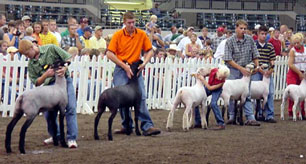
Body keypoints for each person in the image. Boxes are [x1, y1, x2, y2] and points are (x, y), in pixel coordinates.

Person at [106, 11, 161, 136]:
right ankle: (127, 125)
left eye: (133, 22)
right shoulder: (118, 35)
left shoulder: (141, 34)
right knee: (122, 97)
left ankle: (147, 126)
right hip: (121, 67)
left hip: (136, 67)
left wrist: (144, 63)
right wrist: (124, 66)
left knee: (140, 96)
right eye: (129, 23)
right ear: (124, 23)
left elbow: (149, 51)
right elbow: (109, 53)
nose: (131, 25)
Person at [18, 39, 78, 148]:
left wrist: (64, 68)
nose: (27, 57)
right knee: (48, 112)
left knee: (70, 107)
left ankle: (71, 138)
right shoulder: (31, 63)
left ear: (32, 47)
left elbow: (68, 57)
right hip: (48, 86)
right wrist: (46, 75)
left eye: (27, 54)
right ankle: (56, 135)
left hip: (63, 82)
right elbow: (36, 82)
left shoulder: (51, 48)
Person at [223, 19, 261, 126]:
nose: (243, 30)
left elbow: (255, 54)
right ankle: (231, 117)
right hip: (233, 70)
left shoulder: (250, 40)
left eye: (245, 28)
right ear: (236, 28)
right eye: (241, 28)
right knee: (230, 95)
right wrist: (241, 69)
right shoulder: (229, 41)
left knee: (246, 94)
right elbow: (228, 59)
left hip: (246, 70)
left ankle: (250, 117)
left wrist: (257, 66)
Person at [253, 25, 277, 123]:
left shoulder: (270, 46)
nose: (263, 36)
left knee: (270, 93)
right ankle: (257, 114)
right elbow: (254, 59)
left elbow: (272, 60)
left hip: (267, 72)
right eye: (262, 34)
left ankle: (269, 115)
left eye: (265, 34)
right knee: (254, 94)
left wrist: (270, 70)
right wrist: (259, 69)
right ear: (258, 34)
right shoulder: (253, 45)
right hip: (257, 71)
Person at [197, 65, 230, 130]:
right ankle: (198, 121)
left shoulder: (222, 82)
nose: (220, 79)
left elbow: (210, 88)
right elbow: (205, 74)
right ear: (218, 72)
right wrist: (200, 75)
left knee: (213, 103)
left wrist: (203, 80)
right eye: (220, 77)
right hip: (209, 86)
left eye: (222, 78)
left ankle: (221, 123)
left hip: (216, 90)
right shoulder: (213, 71)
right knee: (197, 99)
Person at [286, 33, 306, 119]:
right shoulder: (292, 51)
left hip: (302, 73)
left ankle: (302, 112)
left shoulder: (305, 49)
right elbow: (290, 64)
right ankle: (291, 112)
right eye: (294, 43)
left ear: (301, 42)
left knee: (302, 94)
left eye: (298, 43)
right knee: (293, 94)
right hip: (293, 73)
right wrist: (299, 73)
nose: (296, 45)